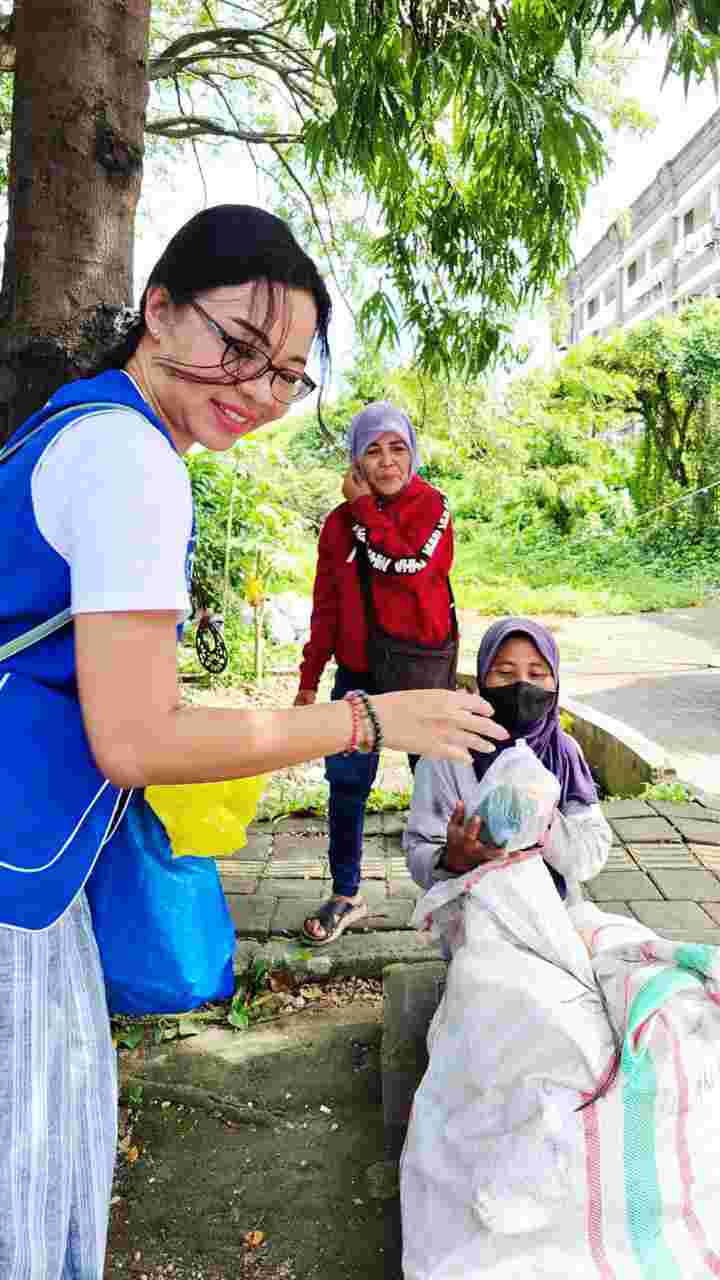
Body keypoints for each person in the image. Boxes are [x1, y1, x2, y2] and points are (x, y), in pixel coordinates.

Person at [0, 204, 508, 1280]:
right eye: (236, 344)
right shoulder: (132, 459)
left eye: (284, 372)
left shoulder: (78, 424)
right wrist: (367, 711)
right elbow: (135, 734)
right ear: (158, 308)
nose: (255, 388)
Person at [295, 401, 457, 946]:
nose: (387, 460)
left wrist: (365, 509)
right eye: (372, 450)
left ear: (412, 453)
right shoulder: (338, 526)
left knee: (438, 785)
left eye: (397, 448)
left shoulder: (433, 508)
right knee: (345, 786)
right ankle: (346, 894)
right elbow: (327, 604)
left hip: (417, 672)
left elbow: (408, 566)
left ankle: (457, 888)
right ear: (356, 461)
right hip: (358, 674)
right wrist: (308, 679)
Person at [405, 617, 611, 900]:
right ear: (482, 677)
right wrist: (451, 860)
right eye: (504, 672)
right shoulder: (449, 754)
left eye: (537, 674)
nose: (522, 686)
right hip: (472, 927)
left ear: (555, 682)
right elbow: (419, 850)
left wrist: (544, 822)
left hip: (556, 922)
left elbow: (591, 855)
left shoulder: (564, 752)